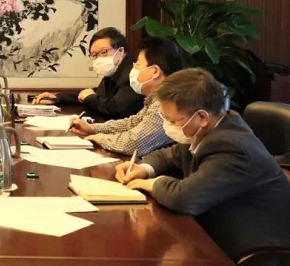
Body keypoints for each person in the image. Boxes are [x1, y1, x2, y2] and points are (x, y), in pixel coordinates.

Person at [117, 68, 290, 261]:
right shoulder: (205, 130)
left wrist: (152, 183)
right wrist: (144, 169)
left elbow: (185, 198)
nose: (167, 125)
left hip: (251, 251)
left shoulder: (232, 147)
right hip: (211, 232)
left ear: (201, 117)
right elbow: (168, 155)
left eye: (172, 120)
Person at [69, 36, 181, 156]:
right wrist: (93, 128)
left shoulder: (166, 102)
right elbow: (132, 123)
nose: (133, 68)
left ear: (154, 71)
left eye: (138, 64)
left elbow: (135, 143)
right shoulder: (156, 98)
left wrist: (101, 139)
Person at [33, 27, 143, 119]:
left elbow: (116, 108)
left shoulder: (133, 73)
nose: (99, 58)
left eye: (104, 52)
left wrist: (89, 97)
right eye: (94, 55)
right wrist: (58, 98)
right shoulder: (115, 71)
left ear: (121, 51)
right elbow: (97, 95)